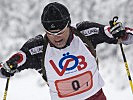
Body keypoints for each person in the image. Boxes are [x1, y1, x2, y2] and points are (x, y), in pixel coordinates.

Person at [0, 2, 133, 100]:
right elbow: (5, 70)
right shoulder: (37, 48)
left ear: (68, 24)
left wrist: (121, 33)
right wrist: (7, 68)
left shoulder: (85, 33)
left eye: (61, 32)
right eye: (50, 33)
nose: (56, 37)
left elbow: (125, 37)